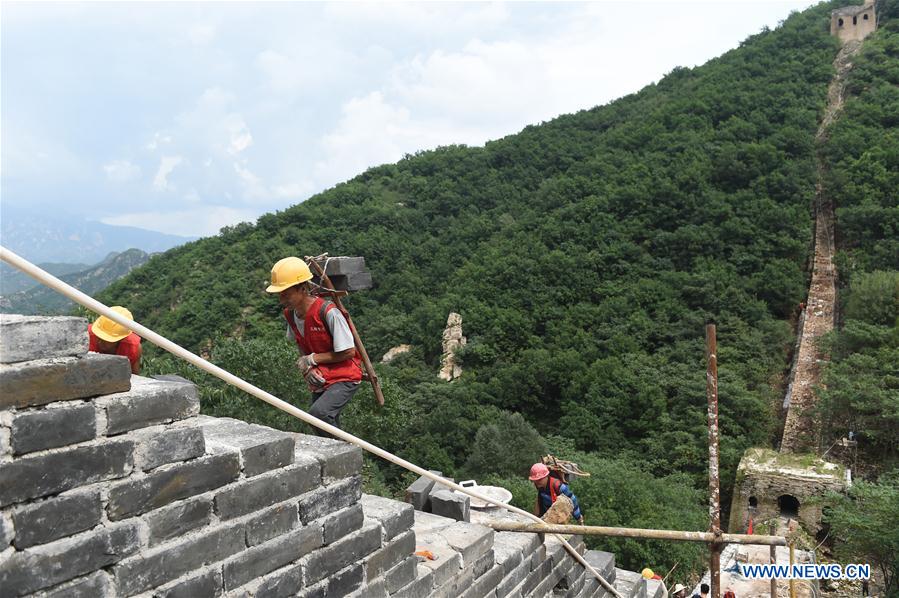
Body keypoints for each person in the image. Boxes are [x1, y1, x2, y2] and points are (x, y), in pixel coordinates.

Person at [266, 256, 362, 431]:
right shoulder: (290, 314)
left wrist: (312, 359)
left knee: (318, 415)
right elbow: (300, 343)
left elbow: (348, 352)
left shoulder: (328, 312)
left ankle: (344, 452)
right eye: (279, 295)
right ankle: (340, 454)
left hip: (345, 375)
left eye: (286, 294)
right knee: (322, 425)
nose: (281, 300)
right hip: (323, 377)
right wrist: (307, 367)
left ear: (302, 288)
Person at [88, 306, 142, 374]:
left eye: (106, 339)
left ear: (121, 338)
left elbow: (134, 377)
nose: (100, 342)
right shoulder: (85, 337)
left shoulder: (132, 348)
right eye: (98, 336)